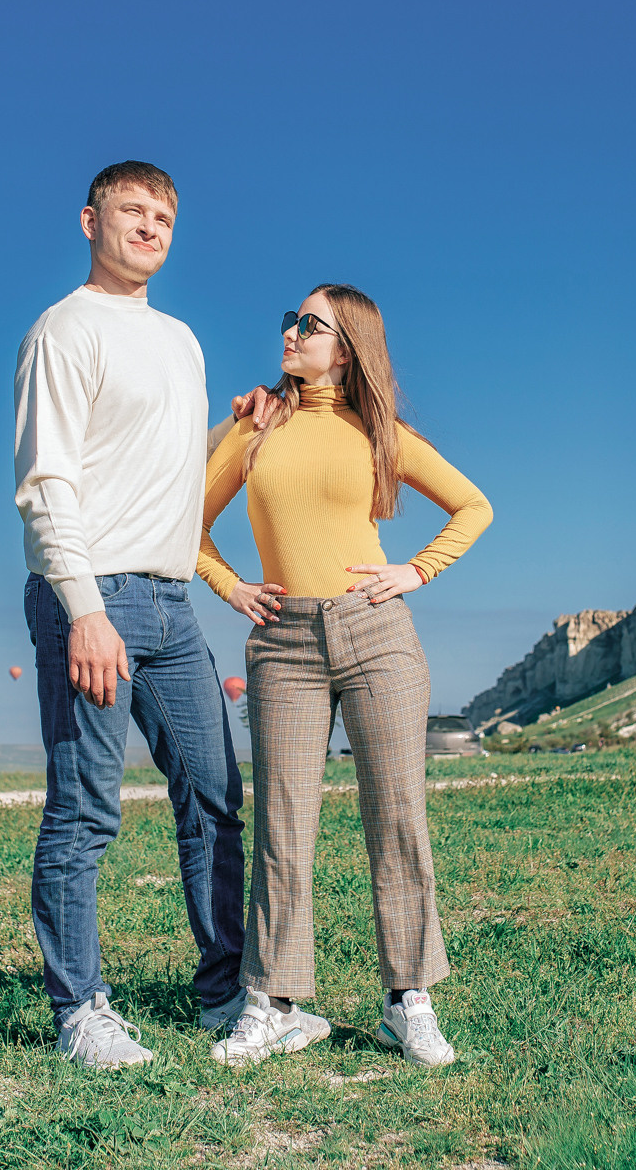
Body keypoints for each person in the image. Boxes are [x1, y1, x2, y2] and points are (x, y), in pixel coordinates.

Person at [13, 161, 269, 1069]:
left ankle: (226, 992)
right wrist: (83, 610)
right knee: (86, 812)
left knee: (214, 797)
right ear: (91, 220)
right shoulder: (65, 329)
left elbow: (167, 472)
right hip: (97, 594)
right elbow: (46, 483)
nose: (151, 226)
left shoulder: (183, 341)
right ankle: (79, 1008)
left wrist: (241, 427)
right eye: (132, 210)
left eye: (164, 214)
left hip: (172, 601)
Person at [197, 285, 493, 1068]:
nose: (291, 332)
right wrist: (231, 585)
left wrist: (416, 571)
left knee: (397, 816)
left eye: (309, 324)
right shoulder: (253, 422)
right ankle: (271, 1003)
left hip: (377, 632)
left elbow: (473, 505)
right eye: (289, 320)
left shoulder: (379, 432)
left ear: (347, 345)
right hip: (284, 641)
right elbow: (182, 518)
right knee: (283, 826)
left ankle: (409, 1000)